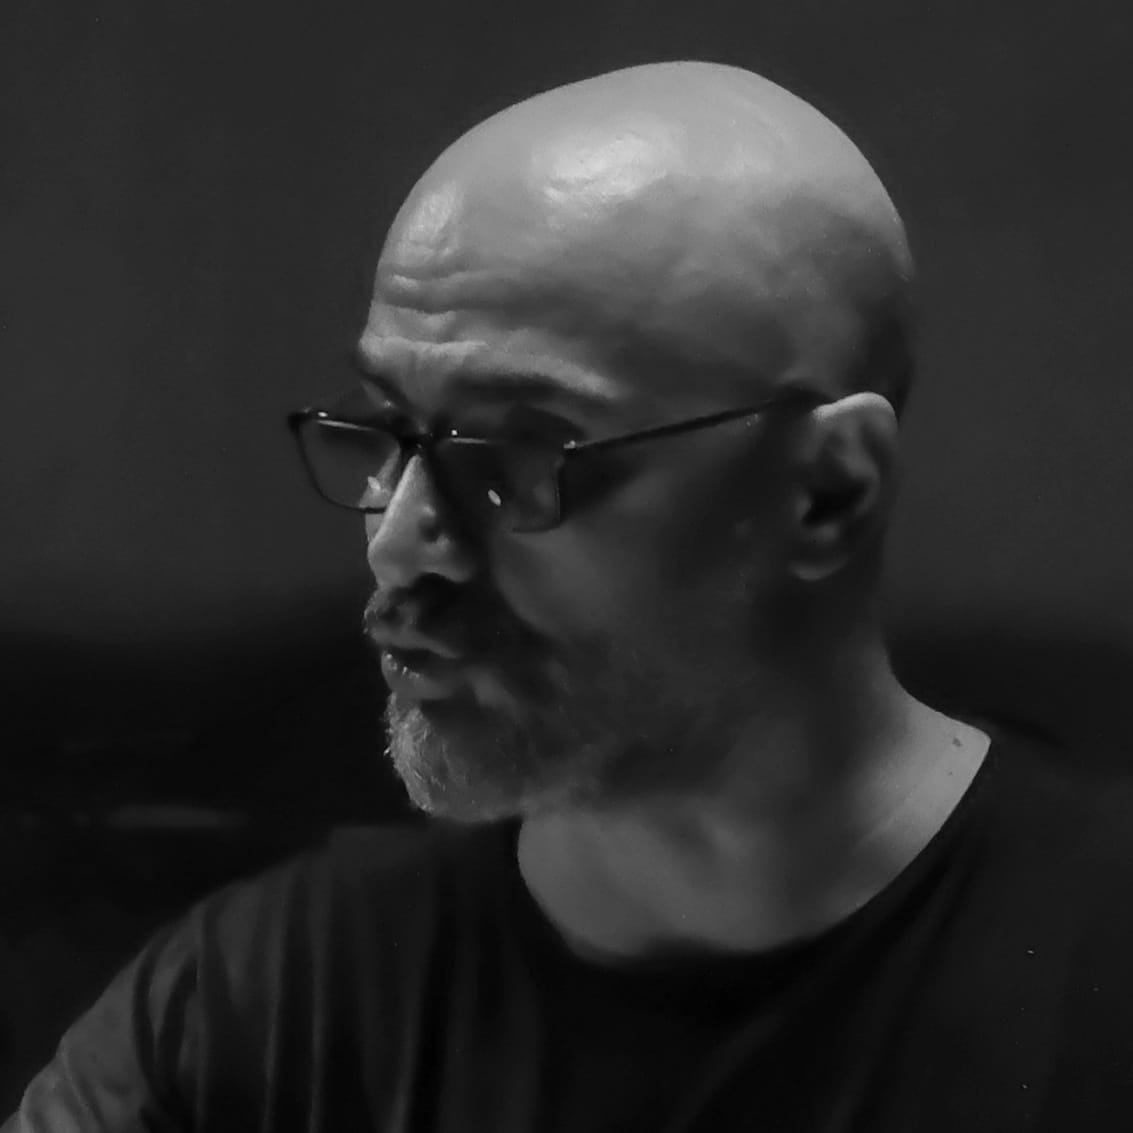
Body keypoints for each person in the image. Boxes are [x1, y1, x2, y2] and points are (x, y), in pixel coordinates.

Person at [7, 59, 1133, 1132]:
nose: (399, 543)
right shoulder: (257, 1012)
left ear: (826, 492)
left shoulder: (1088, 976)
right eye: (388, 429)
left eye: (521, 454)